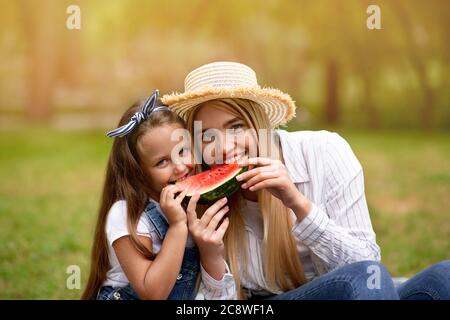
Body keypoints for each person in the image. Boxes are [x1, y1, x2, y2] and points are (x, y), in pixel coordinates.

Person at [162, 61, 450, 300]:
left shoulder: (324, 151)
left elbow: (371, 266)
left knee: (444, 278)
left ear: (259, 123)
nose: (224, 148)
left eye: (236, 127)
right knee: (360, 281)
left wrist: (299, 204)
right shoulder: (196, 199)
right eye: (207, 136)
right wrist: (211, 256)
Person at [82, 90, 229, 300]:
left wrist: (210, 251)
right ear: (138, 172)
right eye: (161, 162)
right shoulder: (127, 214)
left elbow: (213, 292)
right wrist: (178, 227)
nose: (179, 167)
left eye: (182, 151)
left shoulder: (195, 203)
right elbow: (153, 293)